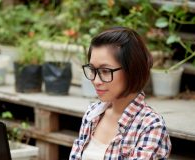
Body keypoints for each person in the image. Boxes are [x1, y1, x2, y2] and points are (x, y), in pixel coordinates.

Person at [69, 27, 171, 160]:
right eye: (93, 70)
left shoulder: (150, 126)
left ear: (132, 70)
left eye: (105, 71)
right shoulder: (92, 114)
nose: (96, 80)